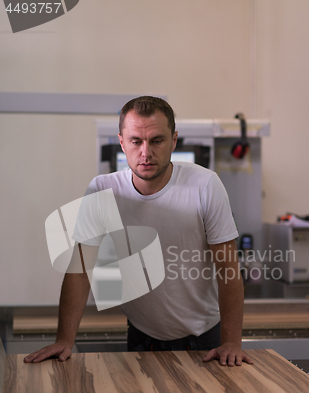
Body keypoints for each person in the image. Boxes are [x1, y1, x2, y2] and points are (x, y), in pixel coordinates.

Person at [24, 96, 253, 367]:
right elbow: (80, 271)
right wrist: (64, 339)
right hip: (142, 337)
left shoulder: (205, 185)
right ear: (122, 142)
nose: (146, 152)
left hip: (204, 340)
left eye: (157, 140)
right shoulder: (102, 191)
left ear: (174, 140)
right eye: (136, 141)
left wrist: (231, 343)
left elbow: (227, 269)